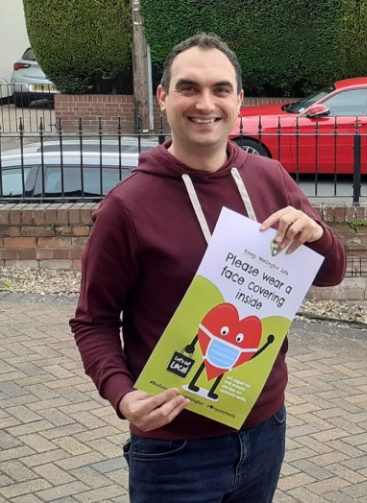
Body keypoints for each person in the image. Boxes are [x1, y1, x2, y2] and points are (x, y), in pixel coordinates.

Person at [70, 33, 346, 502]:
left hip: (264, 428)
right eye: (188, 88)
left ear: (238, 100)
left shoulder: (270, 178)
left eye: (220, 89)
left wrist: (317, 235)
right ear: (163, 97)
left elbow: (331, 271)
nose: (205, 103)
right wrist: (123, 395)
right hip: (174, 446)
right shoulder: (127, 207)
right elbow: (93, 321)